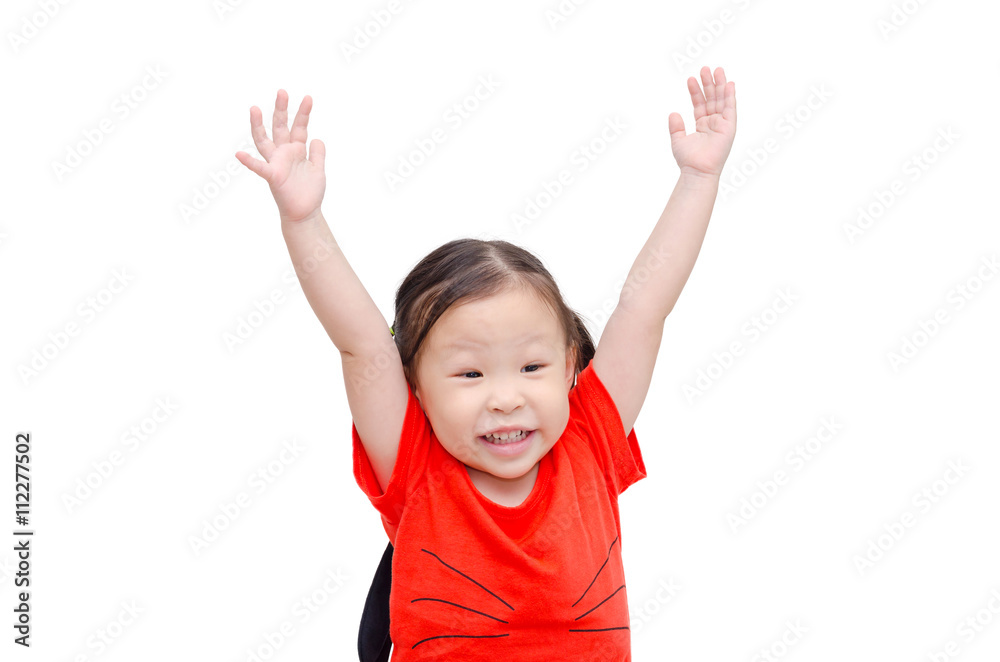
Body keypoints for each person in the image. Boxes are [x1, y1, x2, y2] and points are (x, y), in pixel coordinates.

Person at [236, 65, 737, 661]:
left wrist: (699, 178)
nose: (505, 397)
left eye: (531, 368)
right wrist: (303, 219)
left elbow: (645, 308)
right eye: (470, 374)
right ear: (413, 386)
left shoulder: (590, 440)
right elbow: (361, 343)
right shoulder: (414, 462)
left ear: (572, 361)